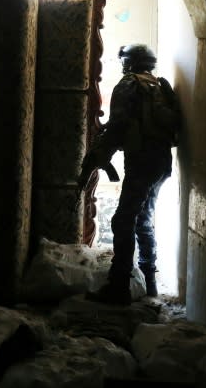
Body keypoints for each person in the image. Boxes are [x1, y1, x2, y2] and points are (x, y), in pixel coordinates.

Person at [83, 43, 181, 305]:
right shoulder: (157, 85)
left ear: (128, 63)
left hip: (141, 161)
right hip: (161, 162)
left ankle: (119, 286)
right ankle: (150, 281)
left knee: (122, 220)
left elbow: (117, 127)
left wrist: (98, 157)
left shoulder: (128, 85)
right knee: (143, 217)